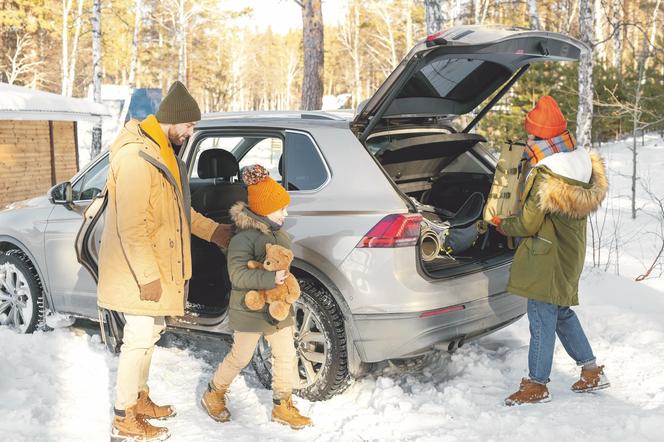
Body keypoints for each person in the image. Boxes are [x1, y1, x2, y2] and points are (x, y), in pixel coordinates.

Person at [99, 81, 233, 441]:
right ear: (172, 119)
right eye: (188, 125)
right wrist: (147, 277)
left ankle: (139, 399)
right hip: (137, 269)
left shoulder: (164, 152)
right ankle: (123, 418)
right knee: (138, 339)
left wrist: (213, 231)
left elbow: (178, 212)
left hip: (158, 265)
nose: (190, 132)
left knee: (150, 334)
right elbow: (131, 226)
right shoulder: (135, 158)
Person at [490, 95, 610, 406]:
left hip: (547, 257)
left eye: (531, 136)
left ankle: (537, 384)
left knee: (541, 317)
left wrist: (502, 223)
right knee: (560, 313)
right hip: (569, 253)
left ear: (544, 138)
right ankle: (591, 371)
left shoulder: (546, 175)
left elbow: (528, 223)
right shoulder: (578, 164)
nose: (527, 141)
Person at [201, 164, 312, 430]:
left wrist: (285, 286)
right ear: (263, 210)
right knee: (240, 356)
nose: (286, 214)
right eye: (281, 209)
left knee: (286, 354)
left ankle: (282, 404)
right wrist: (269, 279)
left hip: (277, 307)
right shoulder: (243, 239)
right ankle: (214, 392)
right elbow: (238, 275)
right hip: (249, 310)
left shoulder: (279, 234)